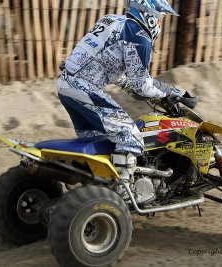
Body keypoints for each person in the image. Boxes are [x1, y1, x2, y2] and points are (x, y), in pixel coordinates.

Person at [57, 0, 182, 180]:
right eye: (161, 18)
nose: (160, 24)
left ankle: (97, 187)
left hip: (65, 85)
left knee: (100, 142)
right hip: (83, 89)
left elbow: (107, 63)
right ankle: (120, 196)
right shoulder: (138, 35)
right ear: (150, 15)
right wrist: (170, 91)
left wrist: (129, 87)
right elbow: (143, 85)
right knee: (131, 138)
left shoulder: (112, 20)